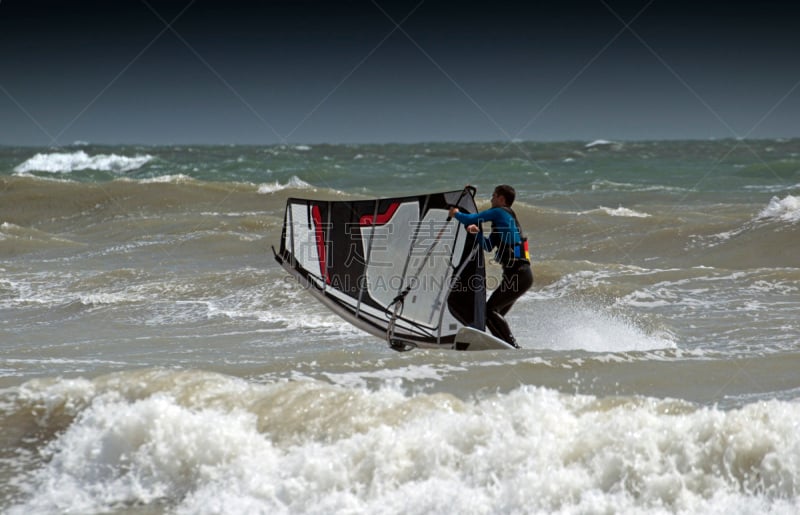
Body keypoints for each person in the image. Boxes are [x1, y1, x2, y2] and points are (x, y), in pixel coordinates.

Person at [448, 185, 533, 348]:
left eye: (493, 196)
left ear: (501, 199)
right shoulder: (501, 226)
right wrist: (476, 233)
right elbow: (487, 246)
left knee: (490, 312)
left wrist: (455, 213)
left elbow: (471, 218)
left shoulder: (500, 212)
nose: (491, 199)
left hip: (520, 274)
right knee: (493, 315)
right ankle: (504, 347)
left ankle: (514, 348)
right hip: (517, 276)